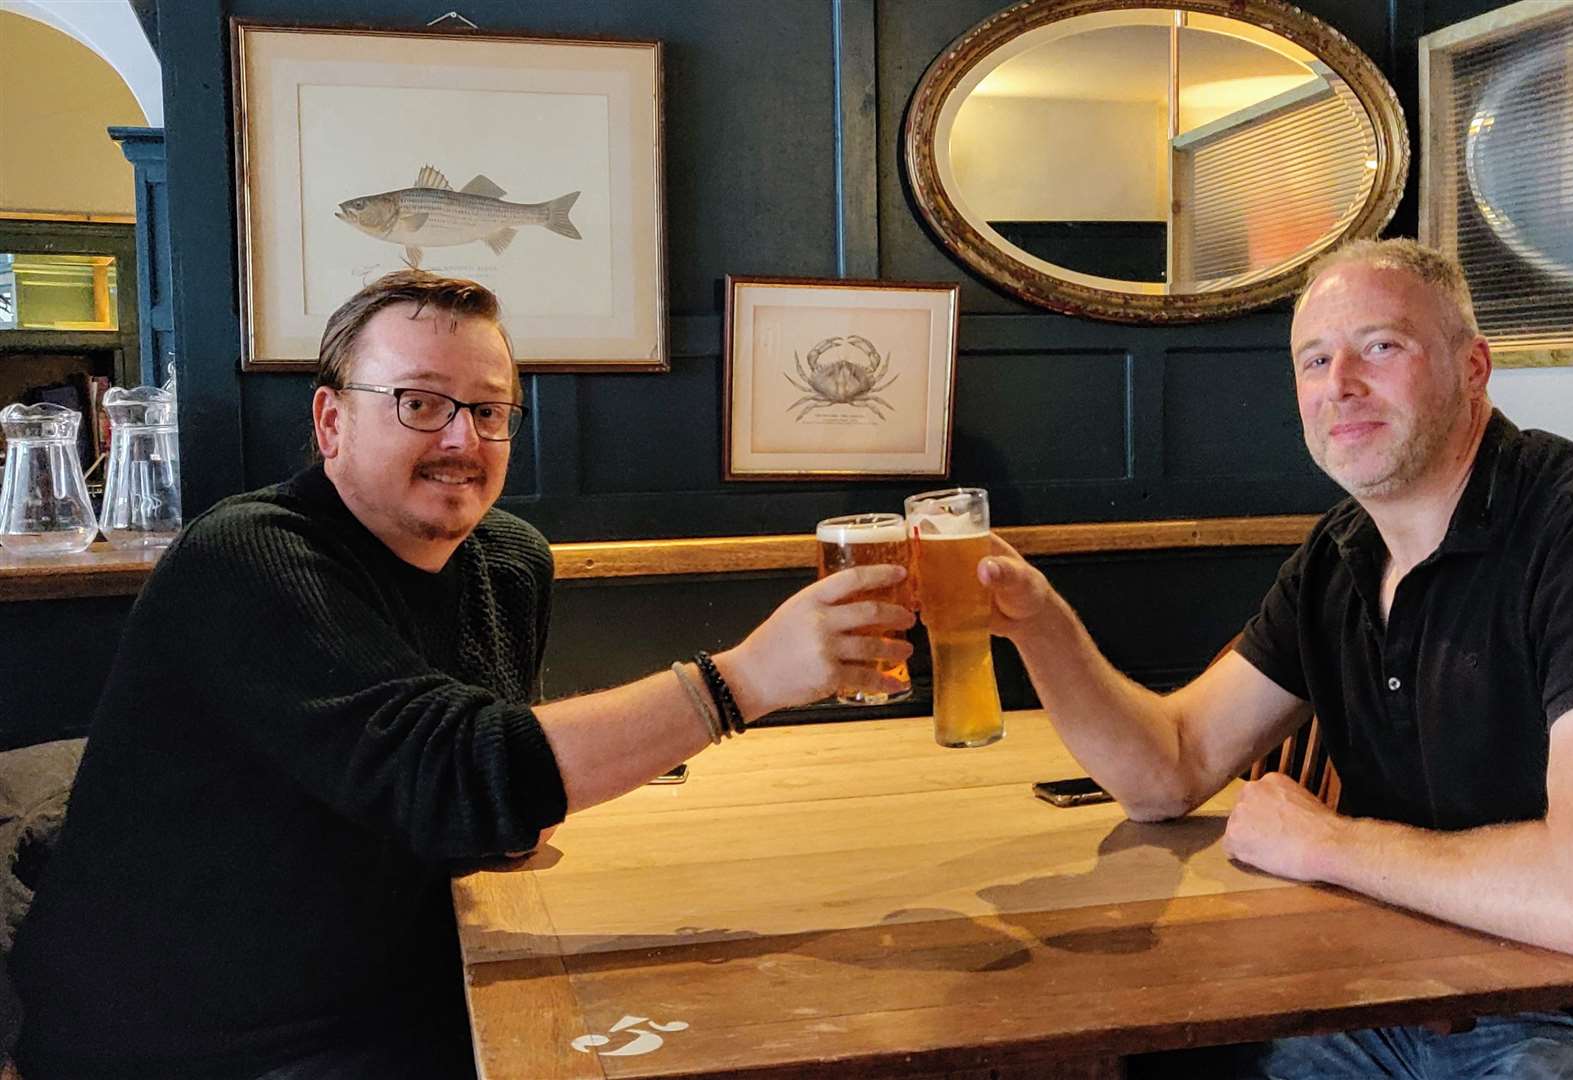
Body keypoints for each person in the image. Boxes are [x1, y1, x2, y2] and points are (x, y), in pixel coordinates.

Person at [10, 271, 914, 1079]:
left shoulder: (508, 561)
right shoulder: (245, 556)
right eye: (418, 402)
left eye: (488, 411)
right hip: (203, 1036)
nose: (462, 439)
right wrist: (741, 681)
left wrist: (498, 803)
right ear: (331, 420)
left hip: (391, 983)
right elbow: (447, 774)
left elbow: (465, 815)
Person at [979, 239, 1573, 1079]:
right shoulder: (1338, 556)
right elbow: (1168, 766)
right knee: (1152, 1047)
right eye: (1314, 360)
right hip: (1398, 1000)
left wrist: (1325, 844)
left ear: (1473, 366)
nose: (1338, 383)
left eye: (1380, 346)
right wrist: (1038, 623)